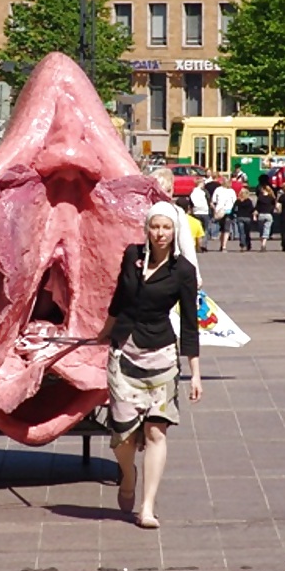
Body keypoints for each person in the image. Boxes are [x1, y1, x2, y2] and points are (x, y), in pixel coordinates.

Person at [98, 201, 202, 529]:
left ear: (175, 231)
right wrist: (104, 332)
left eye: (166, 228)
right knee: (124, 437)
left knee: (156, 430)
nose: (160, 233)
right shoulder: (132, 255)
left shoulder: (183, 271)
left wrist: (195, 372)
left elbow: (189, 322)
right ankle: (128, 474)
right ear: (147, 228)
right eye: (155, 227)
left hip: (162, 355)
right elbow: (118, 298)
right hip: (125, 352)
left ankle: (147, 507)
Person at [149, 168, 201, 285]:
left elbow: (186, 246)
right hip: (159, 266)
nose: (165, 195)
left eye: (167, 190)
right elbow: (186, 246)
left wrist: (195, 275)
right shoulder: (174, 212)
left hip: (166, 267)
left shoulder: (176, 212)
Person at [210, 176, 237, 251]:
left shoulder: (218, 190)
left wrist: (215, 209)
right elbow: (234, 202)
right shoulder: (232, 191)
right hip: (229, 211)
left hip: (219, 211)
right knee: (226, 229)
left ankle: (222, 244)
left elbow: (213, 201)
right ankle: (224, 246)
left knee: (222, 229)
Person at [188, 177, 211, 252]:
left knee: (197, 229)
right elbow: (208, 201)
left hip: (196, 212)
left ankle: (197, 245)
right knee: (205, 230)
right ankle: (203, 245)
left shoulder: (193, 192)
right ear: (200, 183)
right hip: (204, 212)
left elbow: (191, 203)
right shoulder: (204, 192)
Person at [254, 183, 276, 252]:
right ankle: (264, 244)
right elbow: (274, 206)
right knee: (267, 229)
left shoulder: (260, 198)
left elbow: (257, 207)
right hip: (269, 215)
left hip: (261, 215)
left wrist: (254, 215)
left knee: (261, 230)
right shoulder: (271, 197)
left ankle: (262, 243)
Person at [231, 187, 255, 251]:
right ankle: (248, 244)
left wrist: (234, 214)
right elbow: (252, 209)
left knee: (241, 232)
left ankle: (242, 245)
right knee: (247, 232)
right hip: (247, 218)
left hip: (240, 217)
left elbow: (234, 209)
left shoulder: (237, 201)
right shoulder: (249, 201)